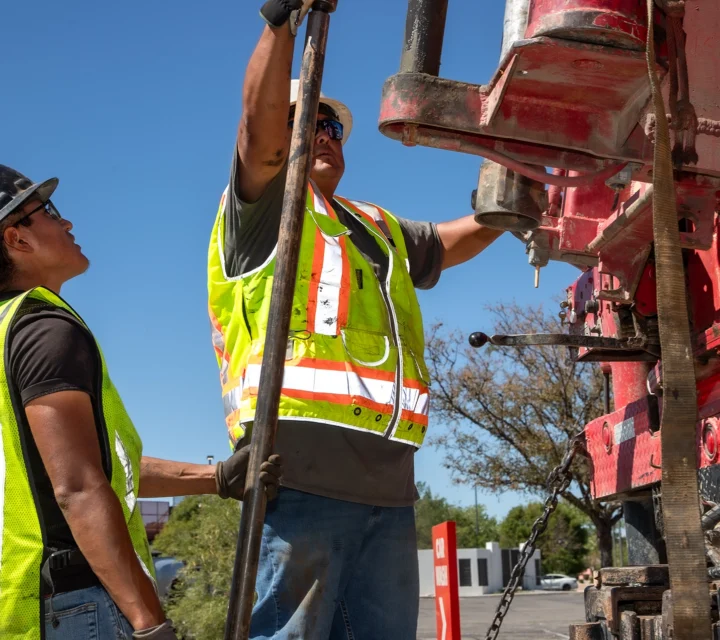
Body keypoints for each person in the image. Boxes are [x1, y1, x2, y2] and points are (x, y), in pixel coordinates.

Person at [206, 3, 504, 638]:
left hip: (390, 490)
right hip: (299, 478)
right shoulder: (264, 214)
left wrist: (515, 197)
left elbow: (456, 240)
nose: (322, 135)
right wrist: (282, 23)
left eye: (331, 128)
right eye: (303, 123)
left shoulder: (376, 227)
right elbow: (255, 136)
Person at [0, 165, 282, 640]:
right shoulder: (44, 330)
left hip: (22, 607)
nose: (67, 223)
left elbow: (88, 467)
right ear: (17, 239)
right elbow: (79, 487)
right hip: (71, 605)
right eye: (47, 211)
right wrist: (150, 623)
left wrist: (213, 478)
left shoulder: (7, 330)